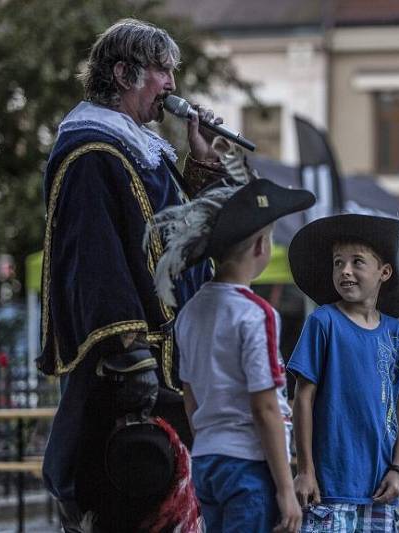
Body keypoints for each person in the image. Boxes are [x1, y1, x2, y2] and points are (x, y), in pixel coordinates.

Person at [38, 19, 229, 531]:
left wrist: (201, 162)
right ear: (124, 73)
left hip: (168, 364)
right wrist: (129, 357)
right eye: (161, 71)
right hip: (130, 372)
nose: (171, 84)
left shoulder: (137, 147)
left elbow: (171, 236)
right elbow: (96, 262)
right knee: (129, 498)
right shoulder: (91, 151)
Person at [150, 147, 314, 533]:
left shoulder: (189, 311)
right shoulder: (257, 313)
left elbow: (190, 396)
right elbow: (265, 408)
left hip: (206, 459)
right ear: (260, 247)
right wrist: (286, 489)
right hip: (249, 465)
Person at [286, 214, 399, 532]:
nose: (344, 271)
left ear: (384, 272)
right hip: (328, 489)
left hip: (379, 490)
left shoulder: (397, 336)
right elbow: (302, 399)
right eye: (337, 263)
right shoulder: (323, 323)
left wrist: (398, 470)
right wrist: (305, 469)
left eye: (357, 262)